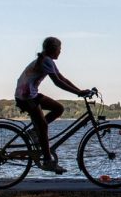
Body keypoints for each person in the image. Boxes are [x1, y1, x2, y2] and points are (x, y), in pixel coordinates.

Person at [14, 37, 91, 174]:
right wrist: (78, 93)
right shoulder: (46, 60)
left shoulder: (47, 60)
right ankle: (48, 161)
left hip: (29, 94)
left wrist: (79, 91)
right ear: (53, 49)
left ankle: (34, 132)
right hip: (26, 96)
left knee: (58, 108)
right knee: (43, 126)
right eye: (59, 49)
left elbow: (62, 78)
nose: (60, 51)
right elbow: (58, 82)